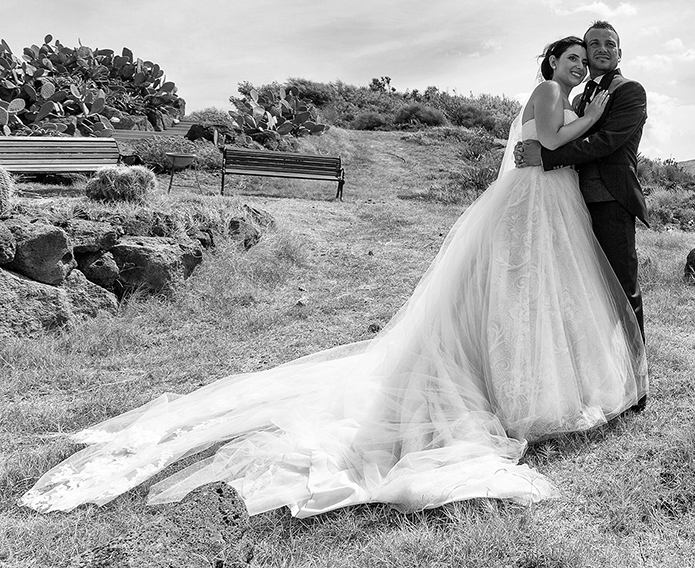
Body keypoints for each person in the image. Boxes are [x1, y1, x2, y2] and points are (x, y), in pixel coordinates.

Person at [19, 36, 647, 518]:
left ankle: (551, 376)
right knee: (514, 292)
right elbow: (548, 142)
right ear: (552, 65)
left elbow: (557, 144)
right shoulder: (553, 98)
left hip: (557, 205)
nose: (574, 64)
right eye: (566, 56)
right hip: (530, 204)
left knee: (543, 295)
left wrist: (586, 112)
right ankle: (516, 384)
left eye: (580, 58)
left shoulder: (581, 96)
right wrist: (591, 114)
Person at [514, 21, 648, 407]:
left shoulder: (629, 91)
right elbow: (554, 129)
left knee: (622, 291)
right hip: (569, 202)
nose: (600, 49)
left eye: (610, 44)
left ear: (620, 53)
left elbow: (606, 143)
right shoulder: (578, 92)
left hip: (608, 199)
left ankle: (637, 384)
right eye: (593, 45)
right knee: (582, 291)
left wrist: (547, 156)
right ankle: (591, 373)